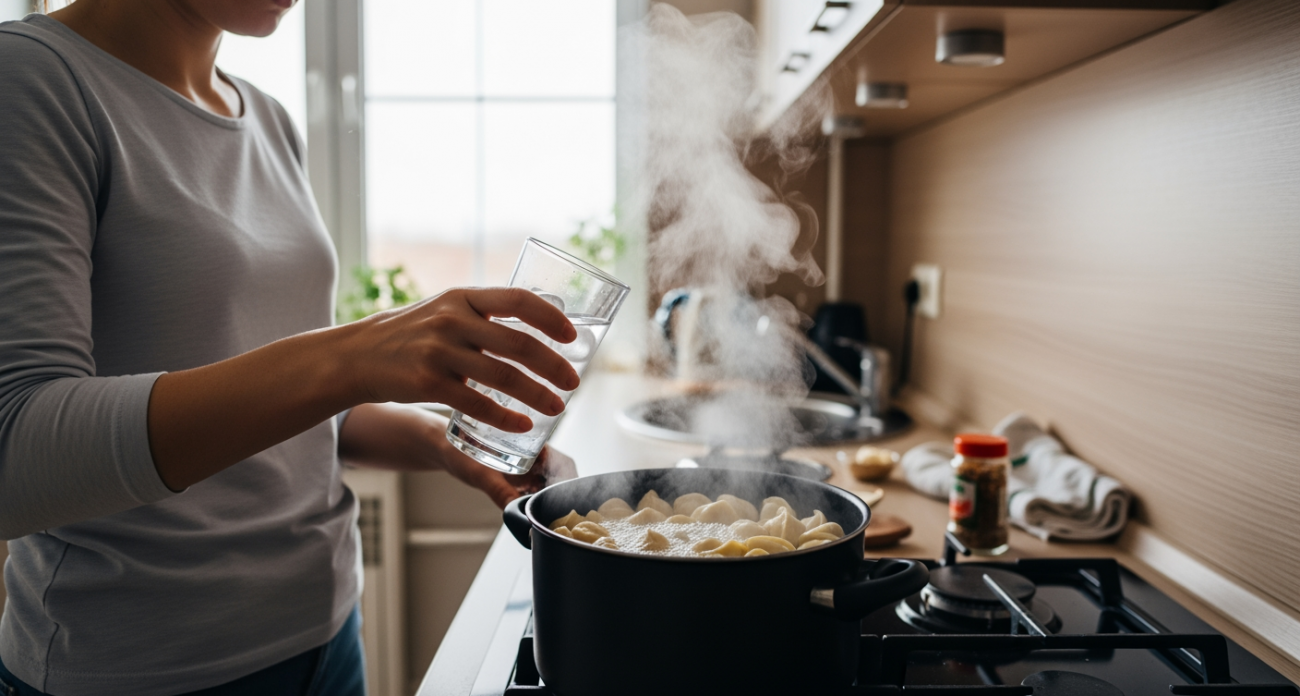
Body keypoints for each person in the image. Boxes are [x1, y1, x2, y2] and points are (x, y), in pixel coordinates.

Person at [0, 0, 579, 694]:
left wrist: (442, 446)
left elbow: (292, 413)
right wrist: (351, 357)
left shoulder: (268, 120)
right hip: (144, 669)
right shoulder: (31, 79)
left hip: (327, 638)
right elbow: (16, 451)